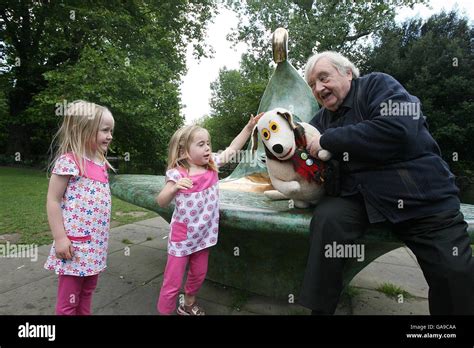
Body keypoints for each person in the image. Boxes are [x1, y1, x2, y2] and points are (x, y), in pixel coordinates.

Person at [299, 51, 474, 315]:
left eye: (323, 78)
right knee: (328, 219)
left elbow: (397, 128)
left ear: (348, 72)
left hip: (420, 196)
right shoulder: (320, 120)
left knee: (454, 273)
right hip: (359, 199)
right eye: (312, 84)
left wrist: (327, 141)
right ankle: (319, 311)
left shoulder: (378, 84)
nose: (318, 88)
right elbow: (302, 152)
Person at [156, 114, 262, 315]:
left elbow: (232, 149)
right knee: (172, 281)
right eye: (201, 144)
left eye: (208, 143)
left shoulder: (212, 165)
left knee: (198, 274)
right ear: (184, 151)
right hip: (182, 238)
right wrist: (174, 188)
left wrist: (248, 129)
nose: (207, 148)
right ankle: (165, 311)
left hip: (204, 236)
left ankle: (187, 304)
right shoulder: (177, 174)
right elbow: (161, 201)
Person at [44, 100, 115, 315]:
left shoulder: (101, 163)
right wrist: (60, 238)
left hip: (96, 246)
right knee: (69, 300)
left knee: (87, 292)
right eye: (105, 130)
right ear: (83, 130)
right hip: (74, 246)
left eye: (111, 130)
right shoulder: (69, 161)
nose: (110, 135)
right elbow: (53, 200)